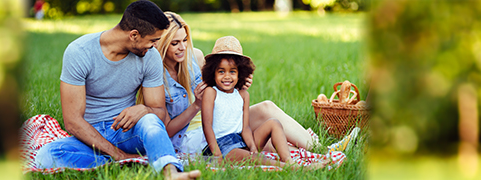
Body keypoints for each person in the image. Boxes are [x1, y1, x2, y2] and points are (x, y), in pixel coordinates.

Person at [149, 12, 359, 156]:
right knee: (261, 137)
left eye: (185, 40)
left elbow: (220, 86)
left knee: (267, 113)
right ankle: (319, 152)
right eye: (175, 43)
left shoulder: (194, 57)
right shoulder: (155, 75)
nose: (182, 48)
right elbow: (166, 130)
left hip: (217, 119)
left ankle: (324, 149)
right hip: (191, 136)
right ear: (163, 43)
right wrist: (196, 105)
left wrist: (239, 86)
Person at [34, 1, 200, 179]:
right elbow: (73, 121)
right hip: (90, 136)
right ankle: (124, 162)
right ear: (134, 35)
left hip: (128, 132)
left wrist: (145, 109)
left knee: (149, 119)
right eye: (152, 40)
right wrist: (118, 154)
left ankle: (170, 172)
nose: (154, 46)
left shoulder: (150, 57)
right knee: (46, 156)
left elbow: (159, 112)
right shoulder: (79, 52)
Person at [200, 36, 326, 169]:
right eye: (221, 71)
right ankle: (294, 168)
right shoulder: (211, 92)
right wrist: (217, 155)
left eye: (232, 71)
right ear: (212, 72)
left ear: (240, 73)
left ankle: (288, 160)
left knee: (274, 123)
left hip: (240, 140)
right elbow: (206, 125)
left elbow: (245, 128)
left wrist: (253, 146)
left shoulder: (243, 95)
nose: (227, 76)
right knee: (257, 158)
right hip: (221, 146)